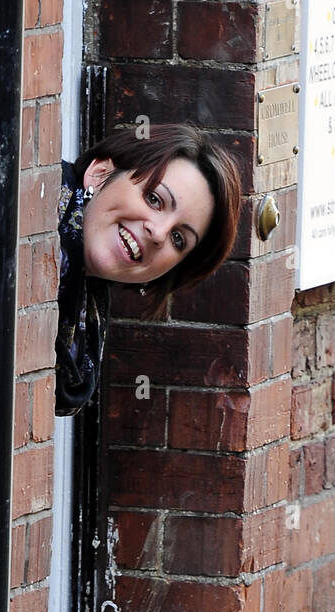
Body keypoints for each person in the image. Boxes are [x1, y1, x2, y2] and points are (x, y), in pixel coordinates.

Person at [55, 123, 242, 417]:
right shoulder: (22, 222)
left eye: (178, 239)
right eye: (154, 199)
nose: (158, 233)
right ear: (101, 173)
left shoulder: (81, 314)